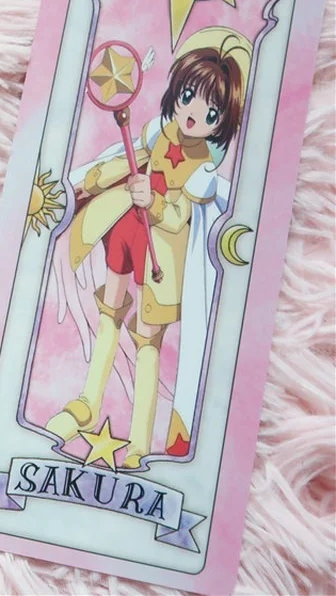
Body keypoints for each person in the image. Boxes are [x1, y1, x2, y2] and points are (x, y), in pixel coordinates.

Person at [47, 27, 251, 468]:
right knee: (110, 315)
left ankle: (140, 439)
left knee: (147, 340)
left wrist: (154, 202)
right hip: (126, 232)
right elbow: (127, 161)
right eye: (189, 96)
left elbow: (179, 216)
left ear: (222, 121)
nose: (193, 114)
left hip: (162, 255)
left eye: (210, 111)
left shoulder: (202, 170)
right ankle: (87, 402)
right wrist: (90, 182)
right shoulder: (159, 135)